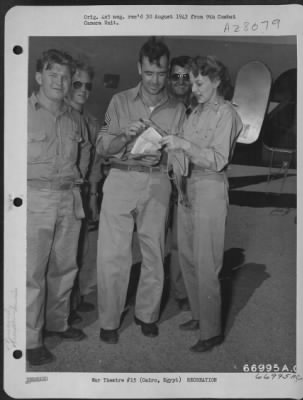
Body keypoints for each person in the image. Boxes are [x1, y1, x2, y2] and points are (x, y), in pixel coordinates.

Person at [96, 37, 186, 344]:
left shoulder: (178, 108)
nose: (155, 80)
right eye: (149, 73)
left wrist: (168, 155)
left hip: (157, 181)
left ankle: (146, 314)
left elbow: (180, 156)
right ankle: (109, 319)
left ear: (168, 71)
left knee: (154, 251)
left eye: (161, 73)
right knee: (112, 255)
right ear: (139, 68)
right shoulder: (119, 102)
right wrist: (123, 135)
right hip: (120, 179)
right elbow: (102, 147)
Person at [160, 56, 243, 352]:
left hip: (210, 187)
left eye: (199, 82)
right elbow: (183, 153)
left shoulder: (226, 114)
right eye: (191, 82)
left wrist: (184, 145)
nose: (193, 88)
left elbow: (218, 159)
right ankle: (198, 316)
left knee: (207, 264)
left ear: (217, 81)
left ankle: (212, 332)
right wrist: (171, 153)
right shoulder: (194, 113)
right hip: (187, 188)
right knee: (188, 259)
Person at [27, 49, 91, 366]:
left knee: (65, 268)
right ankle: (30, 339)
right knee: (32, 274)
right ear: (39, 77)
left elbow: (81, 162)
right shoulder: (19, 113)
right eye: (53, 74)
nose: (60, 81)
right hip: (34, 198)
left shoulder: (75, 118)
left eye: (65, 76)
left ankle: (57, 322)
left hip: (69, 197)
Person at [67, 58, 101, 324]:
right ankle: (61, 308)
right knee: (63, 255)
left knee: (80, 250)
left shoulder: (90, 120)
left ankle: (73, 300)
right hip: (65, 192)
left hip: (84, 193)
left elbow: (95, 165)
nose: (83, 90)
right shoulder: (62, 116)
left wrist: (92, 199)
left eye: (87, 86)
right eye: (77, 83)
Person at [167, 56, 193, 311]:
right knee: (150, 240)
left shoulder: (199, 108)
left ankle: (180, 291)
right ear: (168, 78)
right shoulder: (160, 105)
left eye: (186, 76)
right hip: (158, 178)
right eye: (176, 76)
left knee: (180, 241)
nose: (181, 82)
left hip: (184, 180)